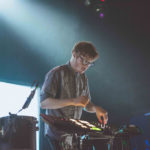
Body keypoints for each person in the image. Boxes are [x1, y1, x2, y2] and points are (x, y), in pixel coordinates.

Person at [40, 41, 108, 150]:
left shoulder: (83, 78)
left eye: (89, 63)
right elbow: (44, 103)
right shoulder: (56, 73)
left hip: (74, 135)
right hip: (57, 134)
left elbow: (86, 104)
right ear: (74, 54)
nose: (86, 66)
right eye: (84, 61)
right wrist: (73, 101)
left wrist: (95, 108)